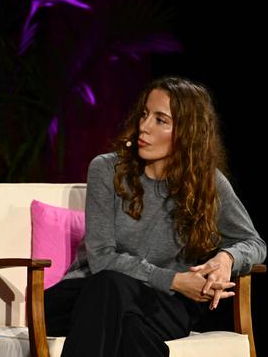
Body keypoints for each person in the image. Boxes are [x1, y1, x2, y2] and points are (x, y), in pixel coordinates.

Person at [43, 76, 266, 356]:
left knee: (130, 326)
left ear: (187, 133)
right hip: (82, 293)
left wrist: (227, 258)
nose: (144, 127)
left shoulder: (208, 184)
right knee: (111, 290)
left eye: (160, 120)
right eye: (145, 114)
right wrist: (174, 280)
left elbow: (255, 244)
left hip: (160, 304)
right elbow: (101, 258)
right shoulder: (107, 170)